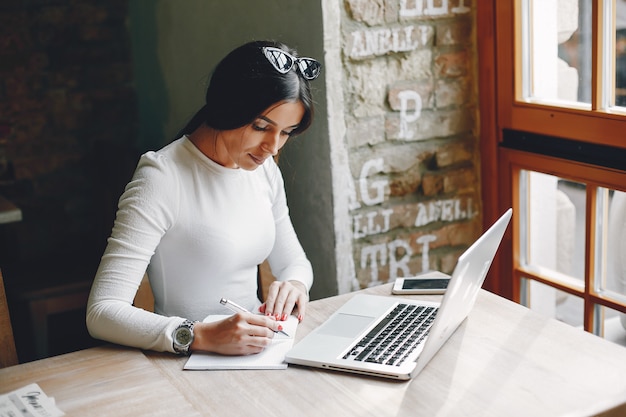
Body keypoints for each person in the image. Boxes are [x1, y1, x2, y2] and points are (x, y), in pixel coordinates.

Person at [86, 40, 322, 356]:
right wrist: (199, 336)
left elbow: (294, 262)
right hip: (185, 364)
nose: (273, 147)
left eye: (286, 132)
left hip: (258, 353)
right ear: (228, 107)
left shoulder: (263, 170)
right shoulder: (162, 178)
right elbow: (102, 311)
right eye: (261, 127)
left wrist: (293, 285)